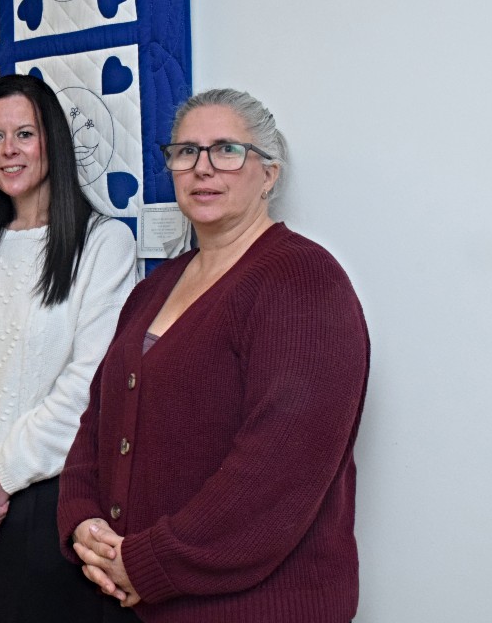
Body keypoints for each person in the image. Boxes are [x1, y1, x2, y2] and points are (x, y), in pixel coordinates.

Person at [58, 89, 370, 622]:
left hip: (258, 607)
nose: (203, 168)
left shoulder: (303, 280)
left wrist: (147, 562)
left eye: (226, 150)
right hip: (143, 598)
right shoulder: (154, 288)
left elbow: (277, 469)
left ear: (268, 173)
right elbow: (98, 423)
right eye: (186, 152)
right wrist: (83, 521)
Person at [0, 74, 136, 623]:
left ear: (52, 142)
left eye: (24, 134)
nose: (9, 151)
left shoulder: (103, 243)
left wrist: (3, 475)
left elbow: (89, 384)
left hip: (49, 494)